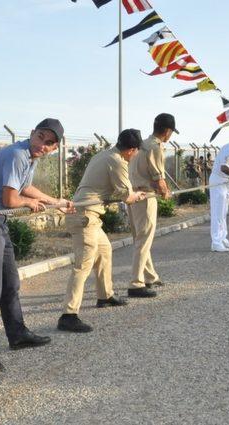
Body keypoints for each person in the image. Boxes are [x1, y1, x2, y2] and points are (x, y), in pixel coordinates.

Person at [0, 118, 72, 373]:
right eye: (41, 138)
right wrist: (28, 203)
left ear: (54, 148)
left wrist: (56, 201)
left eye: (49, 144)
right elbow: (11, 198)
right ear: (32, 133)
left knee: (10, 283)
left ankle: (17, 333)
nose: (43, 145)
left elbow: (25, 187)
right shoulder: (18, 155)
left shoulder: (28, 156)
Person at [57, 129, 148, 333]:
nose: (135, 155)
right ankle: (68, 315)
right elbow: (128, 197)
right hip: (84, 216)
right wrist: (139, 195)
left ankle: (105, 296)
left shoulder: (104, 155)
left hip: (88, 215)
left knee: (105, 251)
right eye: (135, 152)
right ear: (131, 150)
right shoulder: (117, 161)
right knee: (83, 265)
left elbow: (111, 189)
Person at [128, 113, 176, 295]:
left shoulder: (141, 144)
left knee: (140, 238)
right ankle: (136, 283)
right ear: (167, 131)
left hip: (133, 195)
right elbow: (158, 177)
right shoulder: (155, 147)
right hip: (146, 196)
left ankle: (150, 276)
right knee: (144, 239)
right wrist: (165, 192)